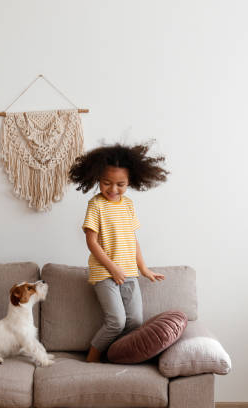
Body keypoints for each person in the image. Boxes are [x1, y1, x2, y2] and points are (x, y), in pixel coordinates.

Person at [69, 142, 169, 362]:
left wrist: (143, 268)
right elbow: (91, 241)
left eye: (120, 184)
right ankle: (91, 361)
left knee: (135, 322)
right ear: (97, 179)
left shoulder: (128, 205)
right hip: (105, 273)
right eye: (107, 183)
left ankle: (116, 357)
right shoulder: (96, 205)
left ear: (130, 182)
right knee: (116, 321)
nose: (113, 189)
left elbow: (132, 239)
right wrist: (113, 268)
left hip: (129, 273)